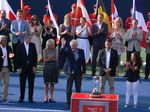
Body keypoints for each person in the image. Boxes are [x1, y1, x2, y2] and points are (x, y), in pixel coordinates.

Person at [60, 39, 86, 109]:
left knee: (78, 88)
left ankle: (77, 102)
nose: (73, 47)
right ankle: (68, 102)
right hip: (69, 71)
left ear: (77, 45)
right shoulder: (67, 50)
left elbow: (83, 62)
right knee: (69, 88)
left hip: (78, 72)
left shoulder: (81, 51)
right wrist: (62, 46)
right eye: (72, 45)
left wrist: (84, 72)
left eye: (74, 45)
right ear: (70, 45)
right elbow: (61, 53)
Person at [17, 33, 37, 103]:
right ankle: (21, 97)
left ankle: (30, 98)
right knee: (22, 83)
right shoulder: (20, 46)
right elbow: (18, 57)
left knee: (31, 83)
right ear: (25, 38)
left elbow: (35, 56)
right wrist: (19, 67)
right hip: (23, 67)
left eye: (30, 38)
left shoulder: (32, 45)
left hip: (31, 67)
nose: (30, 39)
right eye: (29, 38)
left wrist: (34, 66)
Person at [43, 39, 58, 103]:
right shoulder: (44, 50)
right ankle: (46, 97)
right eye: (50, 45)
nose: (52, 46)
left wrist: (52, 58)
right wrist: (48, 58)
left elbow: (57, 59)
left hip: (54, 66)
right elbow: (44, 60)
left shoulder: (56, 50)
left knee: (52, 82)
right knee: (46, 83)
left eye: (52, 44)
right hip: (47, 66)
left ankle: (51, 97)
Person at [0, 35, 14, 103]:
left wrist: (12, 56)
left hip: (7, 68)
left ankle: (5, 97)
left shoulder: (8, 48)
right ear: (1, 42)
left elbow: (11, 56)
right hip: (0, 68)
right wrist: (2, 57)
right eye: (4, 41)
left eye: (6, 41)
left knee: (6, 83)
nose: (6, 42)